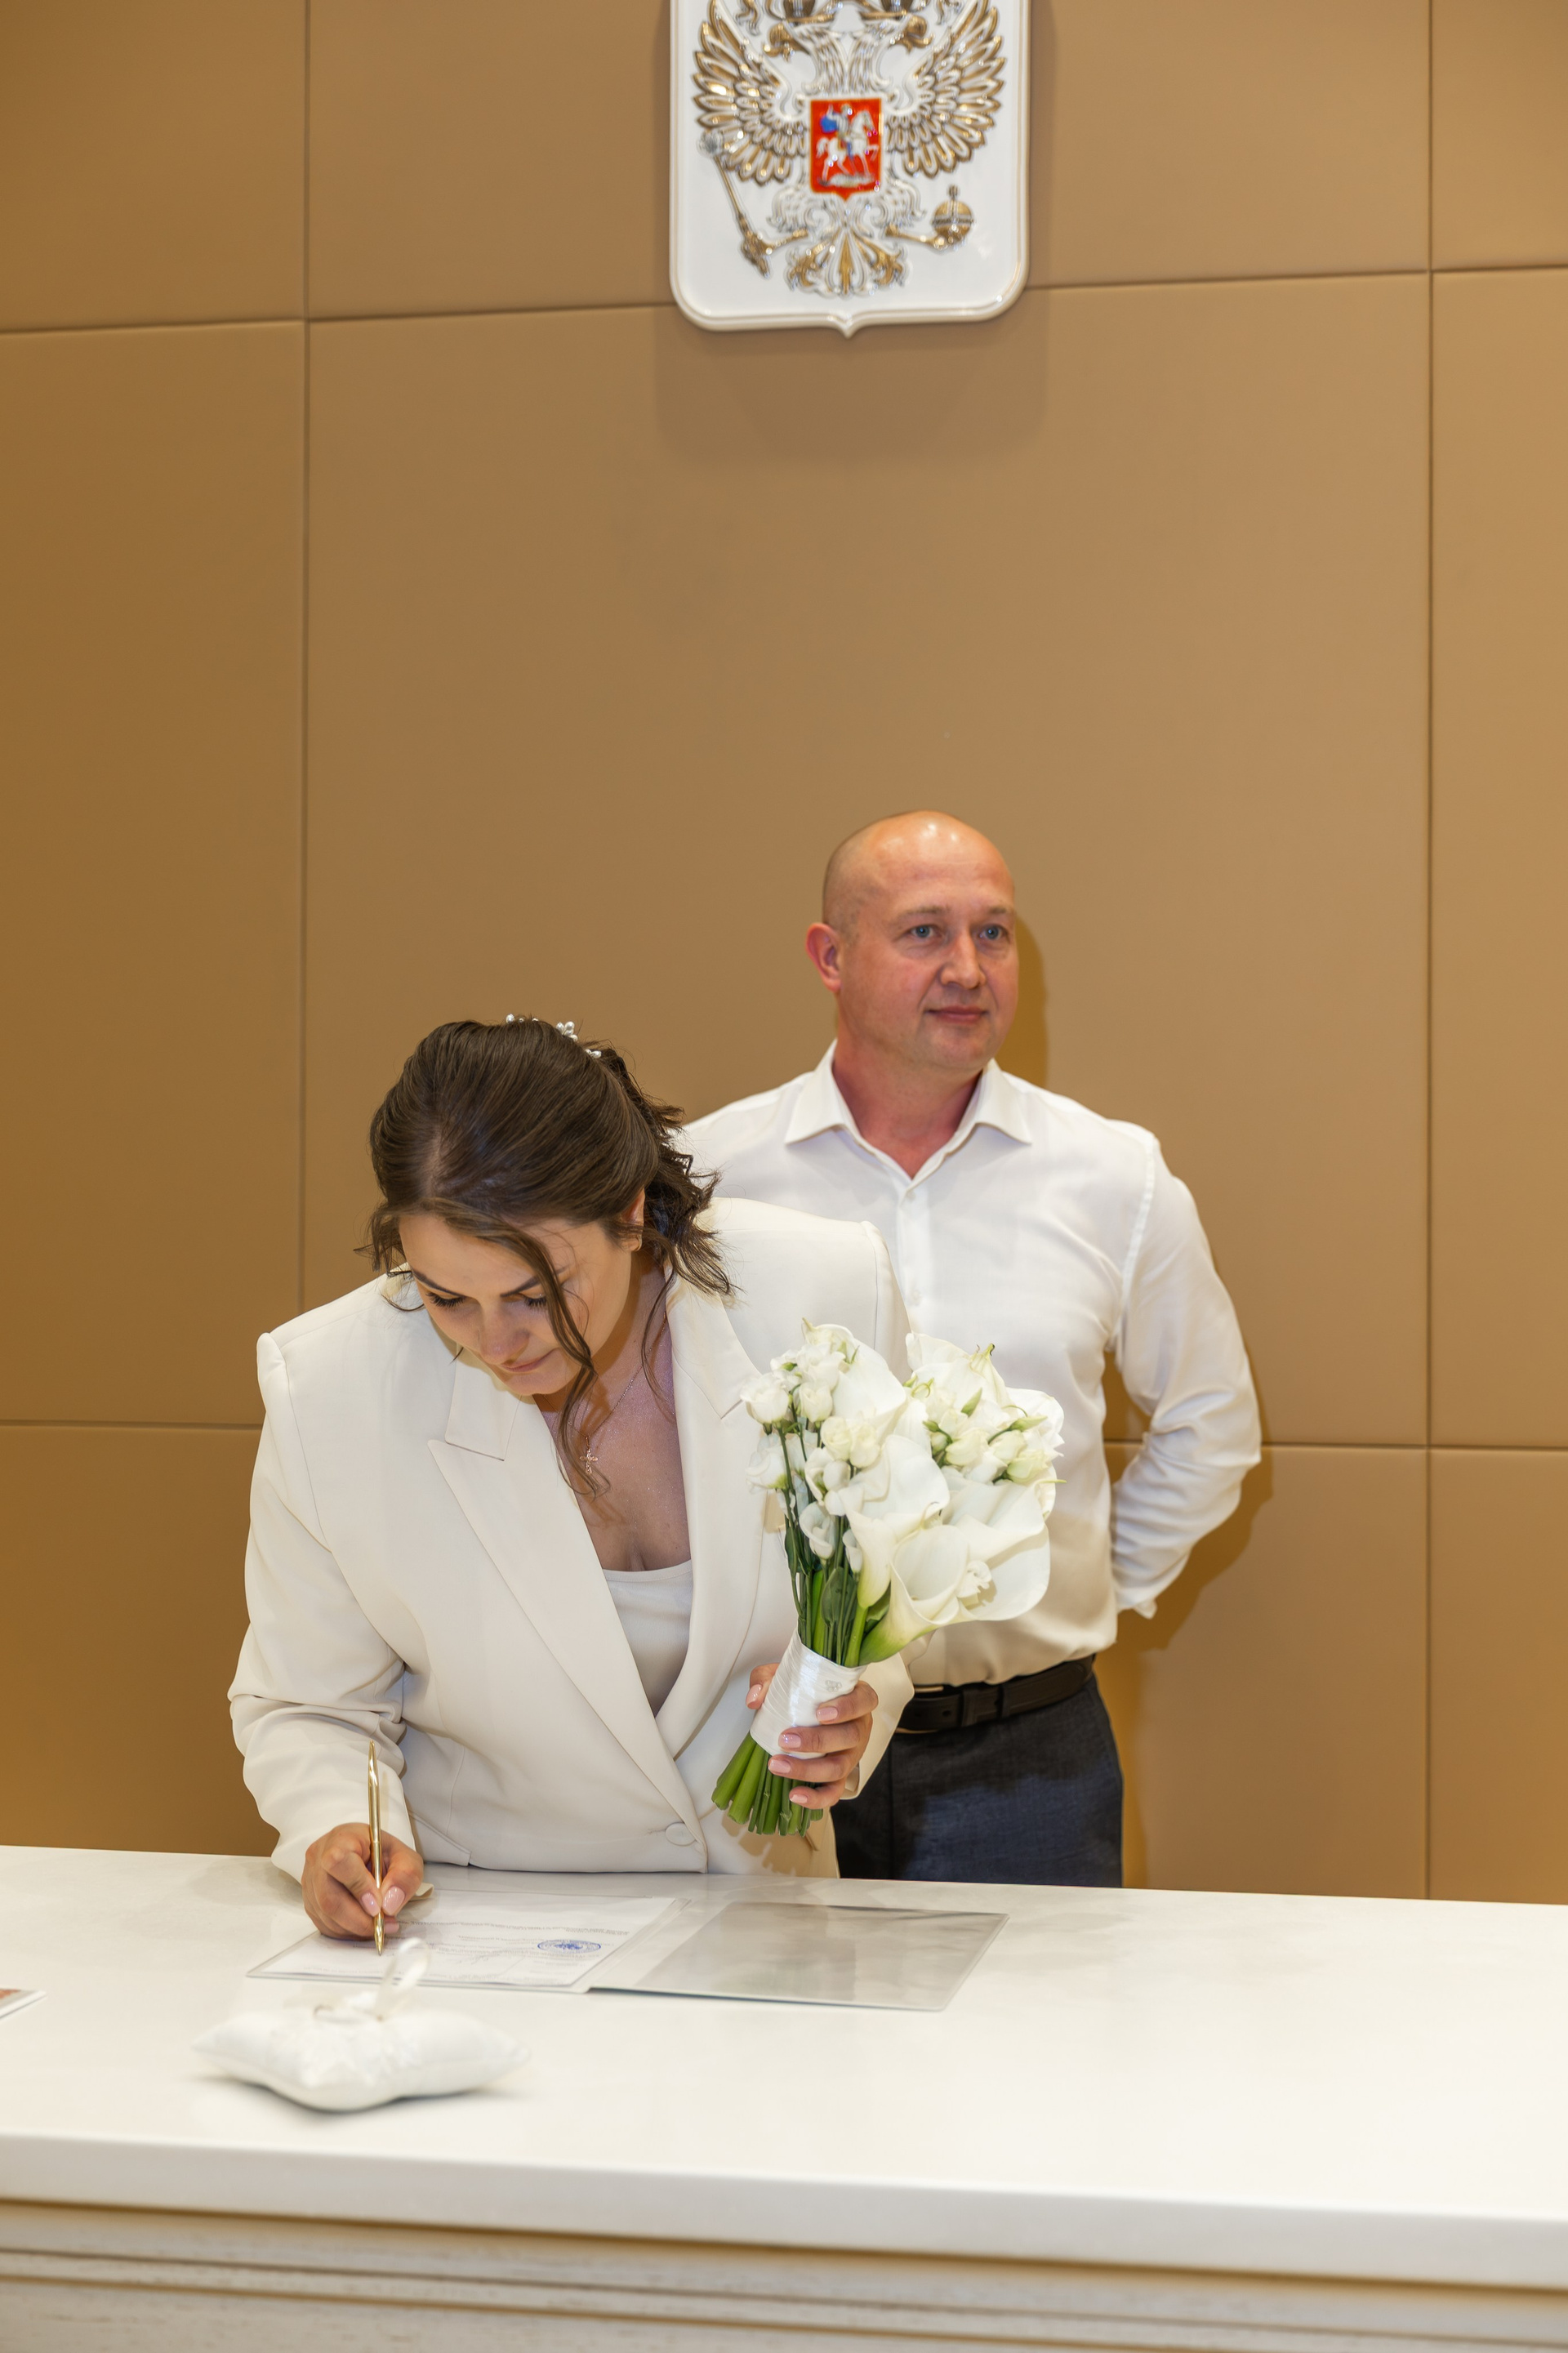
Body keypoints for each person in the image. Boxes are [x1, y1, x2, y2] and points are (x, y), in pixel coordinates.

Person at [231, 1017, 914, 1941]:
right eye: (445, 1297)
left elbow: (885, 1588)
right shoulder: (330, 1389)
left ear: (629, 1214)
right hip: (481, 1926)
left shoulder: (822, 1294)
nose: (497, 1342)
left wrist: (849, 1712)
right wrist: (339, 1827)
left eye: (536, 1293)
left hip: (763, 1917)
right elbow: (308, 1703)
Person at [681, 812, 1261, 1887]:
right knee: (756, 2007)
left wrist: (1064, 1587)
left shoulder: (1113, 1175)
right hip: (775, 1741)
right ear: (830, 956)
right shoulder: (707, 1180)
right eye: (925, 932)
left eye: (994, 933)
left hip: (1027, 1760)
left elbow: (1210, 1427)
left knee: (1045, 2011)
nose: (967, 968)